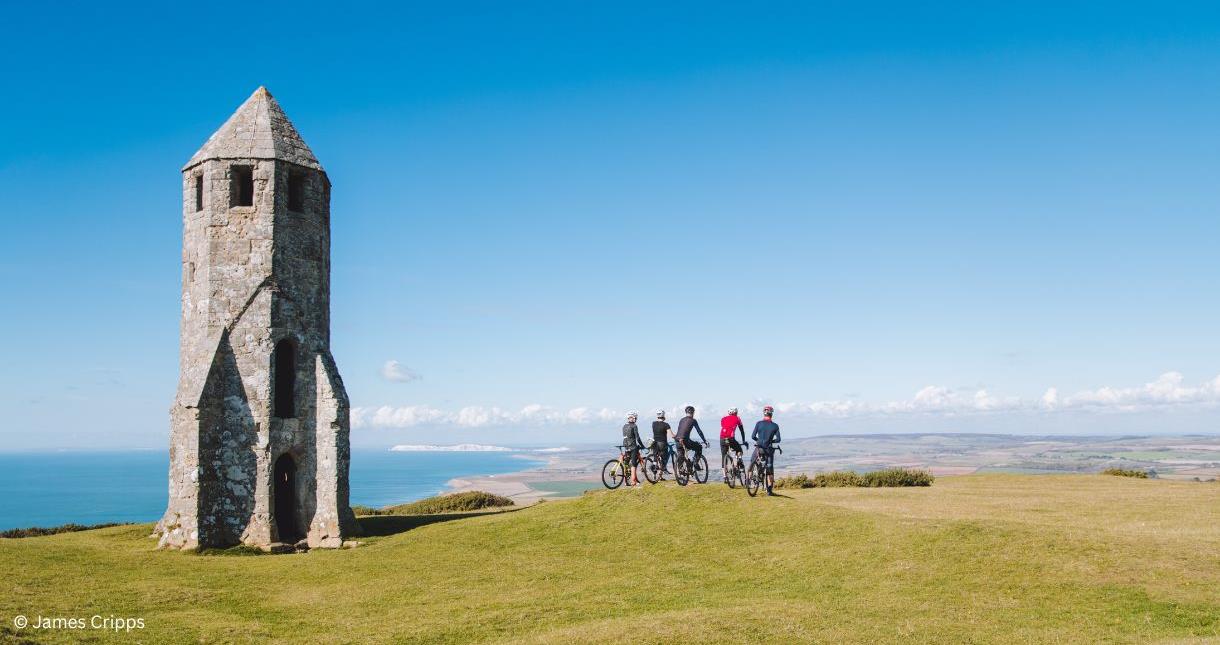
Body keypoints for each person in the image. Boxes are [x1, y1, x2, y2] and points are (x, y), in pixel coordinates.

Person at [751, 405, 781, 495]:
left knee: (752, 462)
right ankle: (769, 490)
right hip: (768, 449)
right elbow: (778, 439)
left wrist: (759, 441)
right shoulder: (775, 426)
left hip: (759, 447)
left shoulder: (758, 423)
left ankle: (749, 481)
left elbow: (753, 436)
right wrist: (771, 441)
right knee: (769, 468)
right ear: (771, 414)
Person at [674, 405, 709, 474]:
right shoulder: (693, 420)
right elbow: (699, 431)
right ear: (693, 412)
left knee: (681, 454)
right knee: (699, 447)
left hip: (677, 440)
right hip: (685, 440)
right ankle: (695, 463)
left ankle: (681, 470)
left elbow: (680, 430)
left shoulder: (682, 419)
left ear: (686, 412)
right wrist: (704, 441)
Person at [719, 407, 748, 481]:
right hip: (731, 439)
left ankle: (725, 476)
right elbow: (742, 431)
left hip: (722, 438)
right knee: (739, 450)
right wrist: (743, 441)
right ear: (736, 413)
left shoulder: (723, 418)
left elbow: (724, 426)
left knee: (724, 456)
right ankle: (738, 464)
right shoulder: (737, 418)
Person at [621, 412, 644, 486]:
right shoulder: (634, 426)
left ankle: (626, 482)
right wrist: (642, 445)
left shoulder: (624, 426)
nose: (636, 420)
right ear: (633, 418)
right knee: (633, 464)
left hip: (626, 446)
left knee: (626, 464)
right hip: (633, 447)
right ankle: (633, 481)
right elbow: (637, 437)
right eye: (635, 418)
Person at [650, 410, 672, 480]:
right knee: (663, 458)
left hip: (654, 443)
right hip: (662, 443)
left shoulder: (653, 423)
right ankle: (664, 469)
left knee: (655, 458)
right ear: (664, 415)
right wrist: (676, 437)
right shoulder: (666, 424)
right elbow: (671, 434)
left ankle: (656, 475)